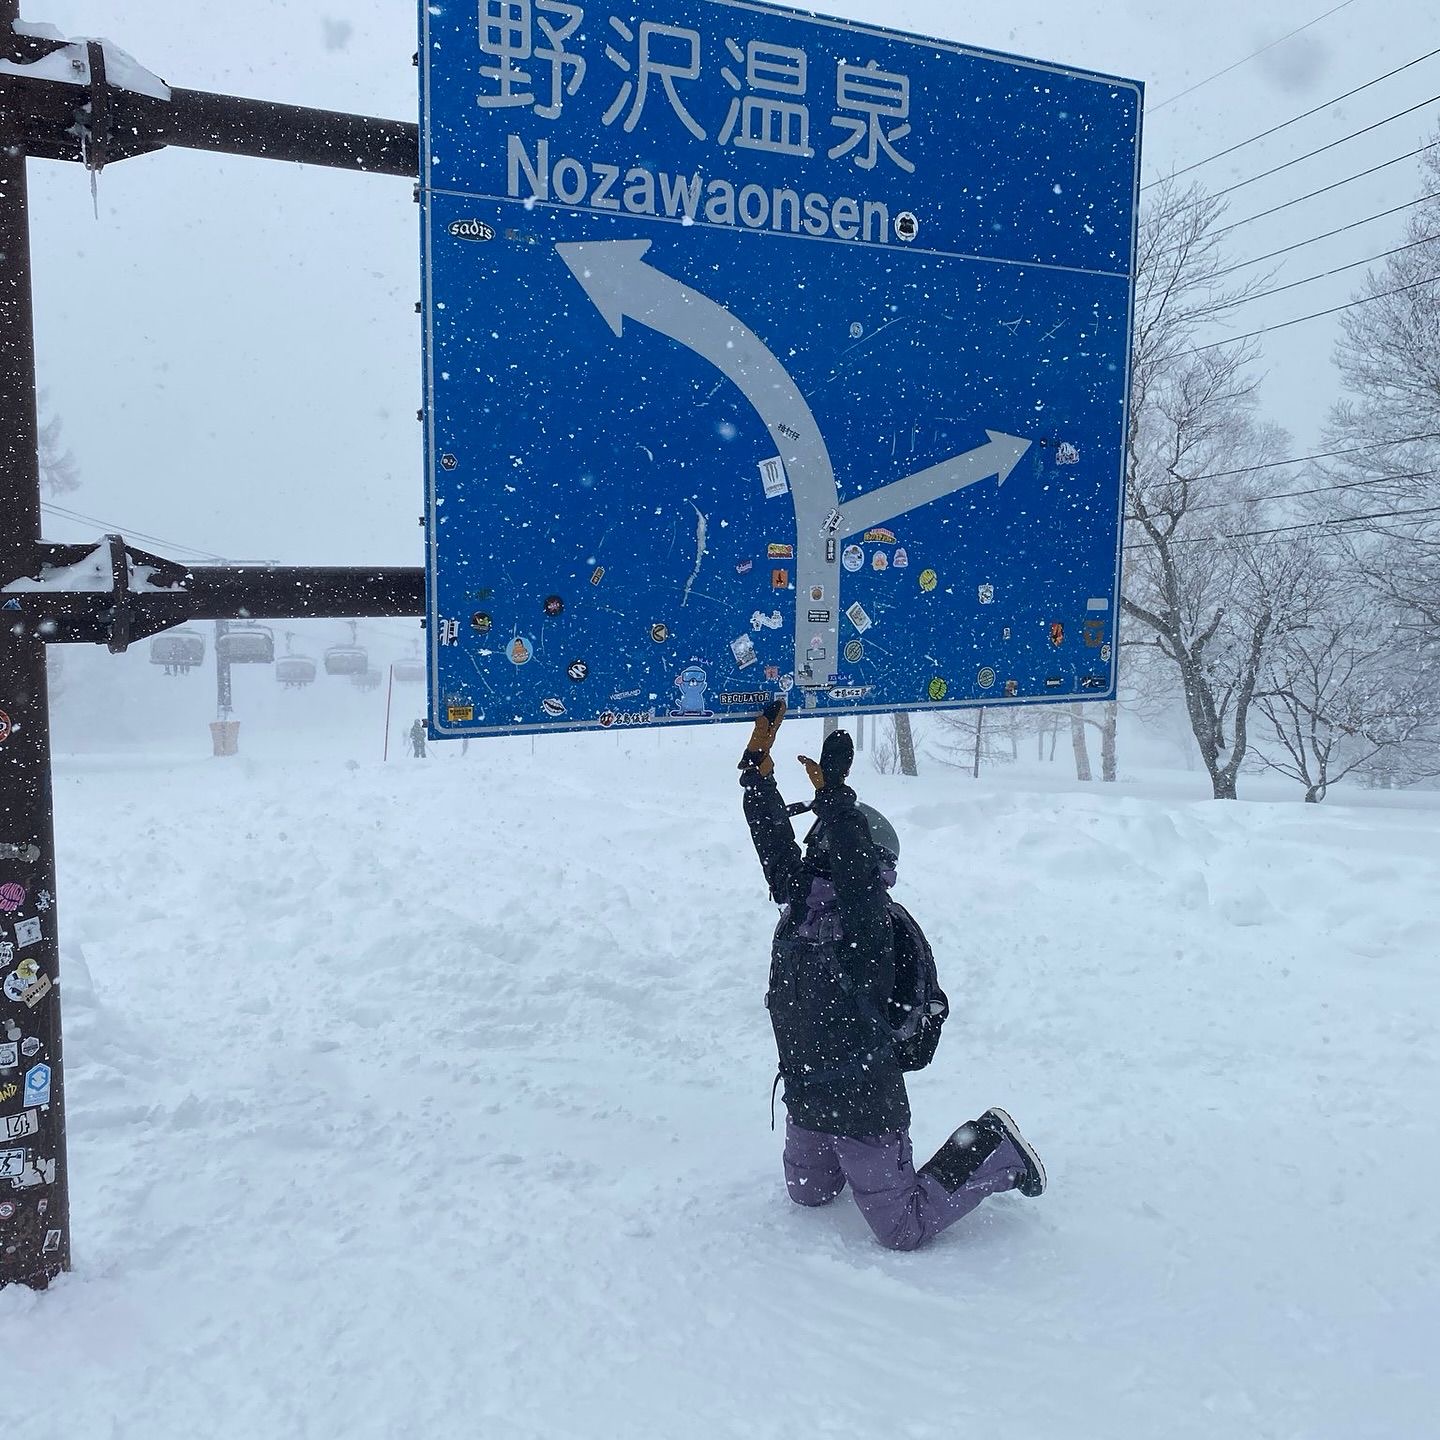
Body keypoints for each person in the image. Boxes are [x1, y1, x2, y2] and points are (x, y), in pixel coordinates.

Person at [738, 699, 1046, 1251]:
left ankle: (994, 1148)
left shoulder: (871, 927)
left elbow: (855, 881)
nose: (813, 854)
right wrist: (756, 777)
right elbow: (776, 851)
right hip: (807, 1091)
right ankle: (837, 1155)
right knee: (807, 1194)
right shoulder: (802, 906)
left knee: (902, 1229)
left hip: (863, 1100)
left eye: (826, 846)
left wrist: (835, 800)